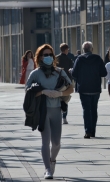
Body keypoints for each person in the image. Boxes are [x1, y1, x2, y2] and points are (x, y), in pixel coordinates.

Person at [26, 44, 73, 179]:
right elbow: (28, 92)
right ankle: (47, 169)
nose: (48, 57)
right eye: (45, 55)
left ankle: (52, 159)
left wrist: (59, 94)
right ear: (39, 57)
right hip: (42, 111)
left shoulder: (59, 71)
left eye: (50, 55)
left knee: (56, 142)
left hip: (56, 109)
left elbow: (71, 88)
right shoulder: (35, 73)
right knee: (45, 141)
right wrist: (42, 91)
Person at [72, 41, 107, 139]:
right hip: (95, 88)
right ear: (92, 49)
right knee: (94, 109)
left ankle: (87, 130)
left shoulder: (79, 59)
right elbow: (104, 73)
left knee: (86, 109)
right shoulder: (97, 58)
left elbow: (74, 74)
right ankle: (93, 131)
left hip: (83, 88)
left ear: (83, 49)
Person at [56, 43, 73, 124]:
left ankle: (58, 116)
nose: (68, 51)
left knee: (57, 99)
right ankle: (64, 117)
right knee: (65, 99)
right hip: (66, 82)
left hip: (57, 82)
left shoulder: (56, 58)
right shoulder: (68, 59)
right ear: (65, 50)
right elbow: (70, 71)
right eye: (67, 49)